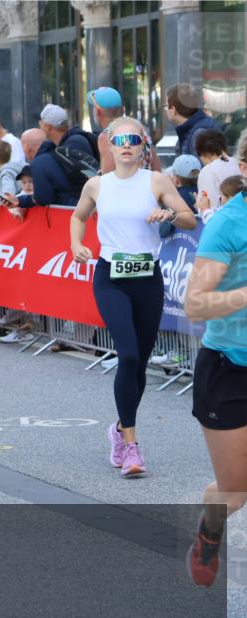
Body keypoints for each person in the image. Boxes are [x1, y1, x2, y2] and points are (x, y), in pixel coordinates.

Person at [69, 116, 197, 478]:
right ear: (109, 146)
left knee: (138, 363)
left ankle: (119, 428)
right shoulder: (97, 184)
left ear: (143, 147)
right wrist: (76, 244)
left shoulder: (156, 181)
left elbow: (188, 218)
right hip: (111, 278)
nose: (126, 146)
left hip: (147, 279)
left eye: (134, 140)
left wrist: (169, 213)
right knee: (126, 354)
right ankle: (131, 445)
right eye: (120, 140)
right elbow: (78, 217)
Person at [183, 128, 247, 588]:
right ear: (244, 168)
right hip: (230, 369)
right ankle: (209, 532)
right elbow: (195, 304)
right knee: (234, 492)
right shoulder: (228, 223)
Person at [4, 127, 86, 209]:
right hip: (83, 205)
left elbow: (43, 198)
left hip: (67, 210)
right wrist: (20, 200)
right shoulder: (60, 153)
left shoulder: (38, 163)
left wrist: (21, 200)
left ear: (27, 148)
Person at [88, 87, 161, 173]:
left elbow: (108, 176)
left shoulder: (106, 137)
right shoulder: (139, 130)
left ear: (98, 112)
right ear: (122, 110)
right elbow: (157, 169)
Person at [166, 83, 219, 158]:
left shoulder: (199, 134)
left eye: (166, 107)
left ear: (173, 109)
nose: (166, 111)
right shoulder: (198, 129)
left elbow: (201, 165)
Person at [195, 130, 242, 211]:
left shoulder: (207, 171)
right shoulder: (239, 164)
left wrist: (200, 206)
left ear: (202, 152)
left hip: (224, 217)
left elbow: (211, 208)